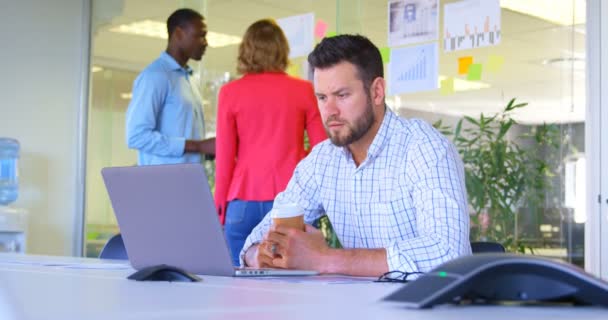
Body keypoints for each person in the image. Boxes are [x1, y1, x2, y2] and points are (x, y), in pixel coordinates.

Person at [241, 34, 471, 276]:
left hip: (421, 308)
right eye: (322, 98)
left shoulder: (424, 149)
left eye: (342, 95)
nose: (329, 111)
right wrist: (260, 254)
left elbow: (448, 253)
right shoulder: (323, 160)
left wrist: (324, 259)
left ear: (377, 92)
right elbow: (257, 238)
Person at [215, 19, 326, 266]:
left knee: (236, 285)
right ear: (282, 50)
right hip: (292, 201)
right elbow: (322, 149)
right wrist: (296, 155)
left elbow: (224, 159)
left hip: (242, 199)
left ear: (246, 51)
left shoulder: (230, 92)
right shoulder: (304, 90)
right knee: (296, 286)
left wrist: (219, 209)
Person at [126, 8, 215, 166]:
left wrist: (206, 149)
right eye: (200, 35)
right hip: (162, 183)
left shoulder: (189, 79)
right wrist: (197, 146)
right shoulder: (155, 76)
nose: (205, 43)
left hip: (190, 179)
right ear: (179, 33)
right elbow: (136, 136)